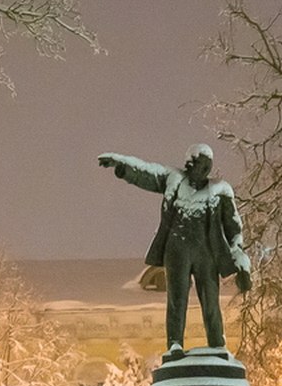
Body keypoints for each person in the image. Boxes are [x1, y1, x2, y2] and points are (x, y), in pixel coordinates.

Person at [100, 143, 252, 358]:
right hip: (177, 250)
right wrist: (122, 165)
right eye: (190, 163)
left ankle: (217, 344)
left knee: (210, 299)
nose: (191, 167)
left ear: (206, 167)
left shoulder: (221, 190)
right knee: (176, 299)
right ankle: (175, 344)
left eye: (197, 164)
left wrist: (239, 258)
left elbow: (234, 228)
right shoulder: (174, 179)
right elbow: (147, 173)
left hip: (206, 254)